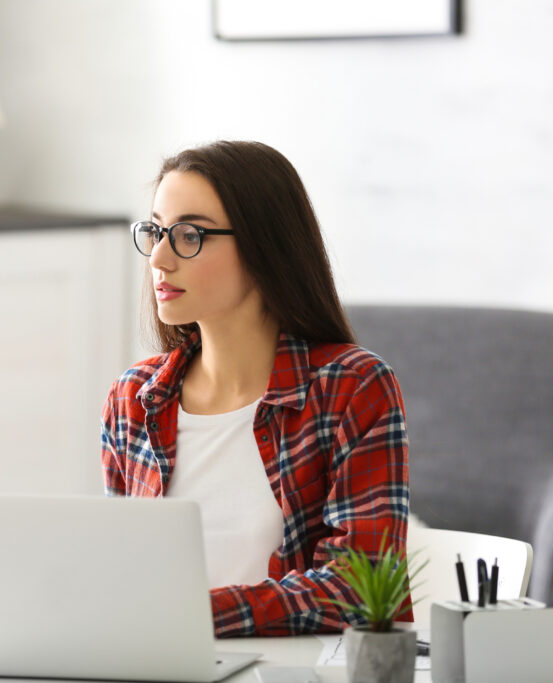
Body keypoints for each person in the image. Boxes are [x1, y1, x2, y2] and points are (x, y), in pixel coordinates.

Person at [100, 140, 410, 637]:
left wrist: (193, 614)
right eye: (156, 231)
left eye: (189, 235)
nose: (159, 257)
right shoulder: (134, 398)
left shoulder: (351, 387)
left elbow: (360, 587)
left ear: (265, 246)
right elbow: (122, 572)